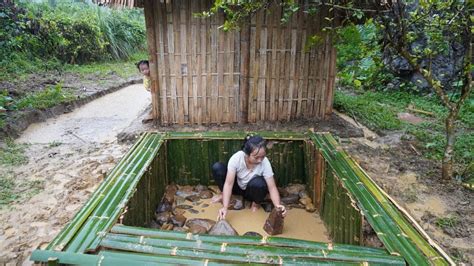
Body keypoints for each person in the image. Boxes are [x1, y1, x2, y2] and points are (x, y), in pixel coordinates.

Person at [212, 135, 287, 220]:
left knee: (259, 183)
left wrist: (278, 205)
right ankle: (224, 195)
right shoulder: (237, 158)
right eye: (256, 157)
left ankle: (256, 204)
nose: (260, 160)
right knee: (217, 167)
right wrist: (225, 207)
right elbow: (228, 184)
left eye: (262, 157)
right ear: (247, 154)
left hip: (252, 191)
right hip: (237, 187)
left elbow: (272, 187)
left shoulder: (265, 162)